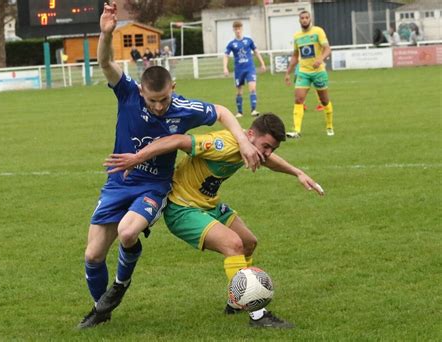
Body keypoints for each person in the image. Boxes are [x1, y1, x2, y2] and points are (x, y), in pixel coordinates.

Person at [78, 1, 261, 329]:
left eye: (164, 99)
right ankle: (100, 309)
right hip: (118, 182)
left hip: (154, 186)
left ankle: (120, 284)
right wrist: (106, 33)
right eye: (153, 100)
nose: (160, 107)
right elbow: (104, 61)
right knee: (92, 255)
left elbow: (221, 111)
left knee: (128, 232)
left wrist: (244, 140)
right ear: (142, 92)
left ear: (172, 89)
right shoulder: (128, 94)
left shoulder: (182, 108)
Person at [104, 113, 325, 329]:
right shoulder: (222, 144)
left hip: (208, 205)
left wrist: (298, 173)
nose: (267, 153)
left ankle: (234, 302)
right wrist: (137, 158)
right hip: (183, 208)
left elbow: (269, 161)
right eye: (265, 146)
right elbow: (177, 140)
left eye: (272, 149)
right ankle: (258, 315)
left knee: (249, 243)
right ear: (249, 135)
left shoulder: (250, 148)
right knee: (234, 244)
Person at [284, 11, 334, 138]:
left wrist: (320, 59)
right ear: (299, 20)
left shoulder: (318, 31)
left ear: (310, 19)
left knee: (324, 100)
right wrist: (288, 72)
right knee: (298, 99)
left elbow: (327, 49)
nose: (305, 20)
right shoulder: (297, 36)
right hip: (303, 72)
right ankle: (296, 131)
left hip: (318, 72)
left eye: (307, 17)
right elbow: (296, 55)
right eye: (302, 18)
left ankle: (329, 126)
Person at [224, 21, 266, 118]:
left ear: (242, 29)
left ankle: (253, 110)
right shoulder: (232, 44)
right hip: (239, 70)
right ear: (234, 30)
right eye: (236, 29)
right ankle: (239, 112)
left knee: (252, 88)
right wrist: (225, 67)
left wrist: (262, 63)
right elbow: (226, 55)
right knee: (239, 92)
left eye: (239, 29)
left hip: (249, 68)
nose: (238, 31)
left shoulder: (249, 41)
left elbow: (256, 52)